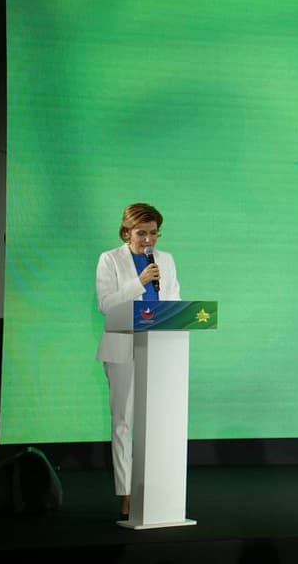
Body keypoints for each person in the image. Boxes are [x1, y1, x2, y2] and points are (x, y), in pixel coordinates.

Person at [95, 203, 180, 519]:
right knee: (124, 421)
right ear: (126, 232)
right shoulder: (109, 259)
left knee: (158, 421)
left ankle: (156, 488)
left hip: (159, 348)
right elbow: (106, 305)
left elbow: (173, 301)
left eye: (153, 233)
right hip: (123, 346)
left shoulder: (166, 260)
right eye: (141, 233)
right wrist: (139, 281)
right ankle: (127, 492)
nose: (148, 240)